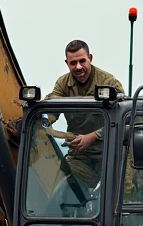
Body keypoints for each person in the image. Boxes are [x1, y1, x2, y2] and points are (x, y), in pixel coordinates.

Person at [43, 40, 123, 188]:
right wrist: (42, 121)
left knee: (123, 189)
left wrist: (94, 136)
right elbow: (51, 112)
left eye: (82, 61)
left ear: (90, 58)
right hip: (80, 155)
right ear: (67, 63)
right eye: (73, 63)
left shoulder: (108, 82)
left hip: (110, 151)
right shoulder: (63, 84)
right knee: (64, 183)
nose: (78, 67)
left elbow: (123, 117)